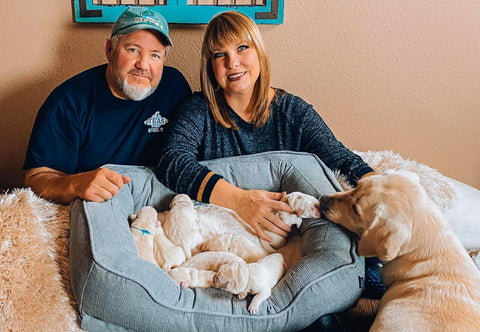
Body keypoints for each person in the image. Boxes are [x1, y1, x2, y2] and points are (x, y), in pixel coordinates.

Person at [156, 11, 375, 242]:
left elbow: (342, 160)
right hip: (221, 237)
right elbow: (171, 160)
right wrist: (240, 201)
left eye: (242, 48)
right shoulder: (198, 109)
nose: (232, 63)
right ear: (211, 67)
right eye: (220, 54)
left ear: (259, 51)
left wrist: (386, 192)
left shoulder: (293, 112)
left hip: (283, 237)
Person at [23, 7, 191, 204]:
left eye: (155, 55)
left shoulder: (174, 86)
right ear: (109, 50)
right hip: (99, 207)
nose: (143, 65)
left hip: (160, 204)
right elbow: (35, 179)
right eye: (133, 50)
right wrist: (76, 185)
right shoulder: (67, 102)